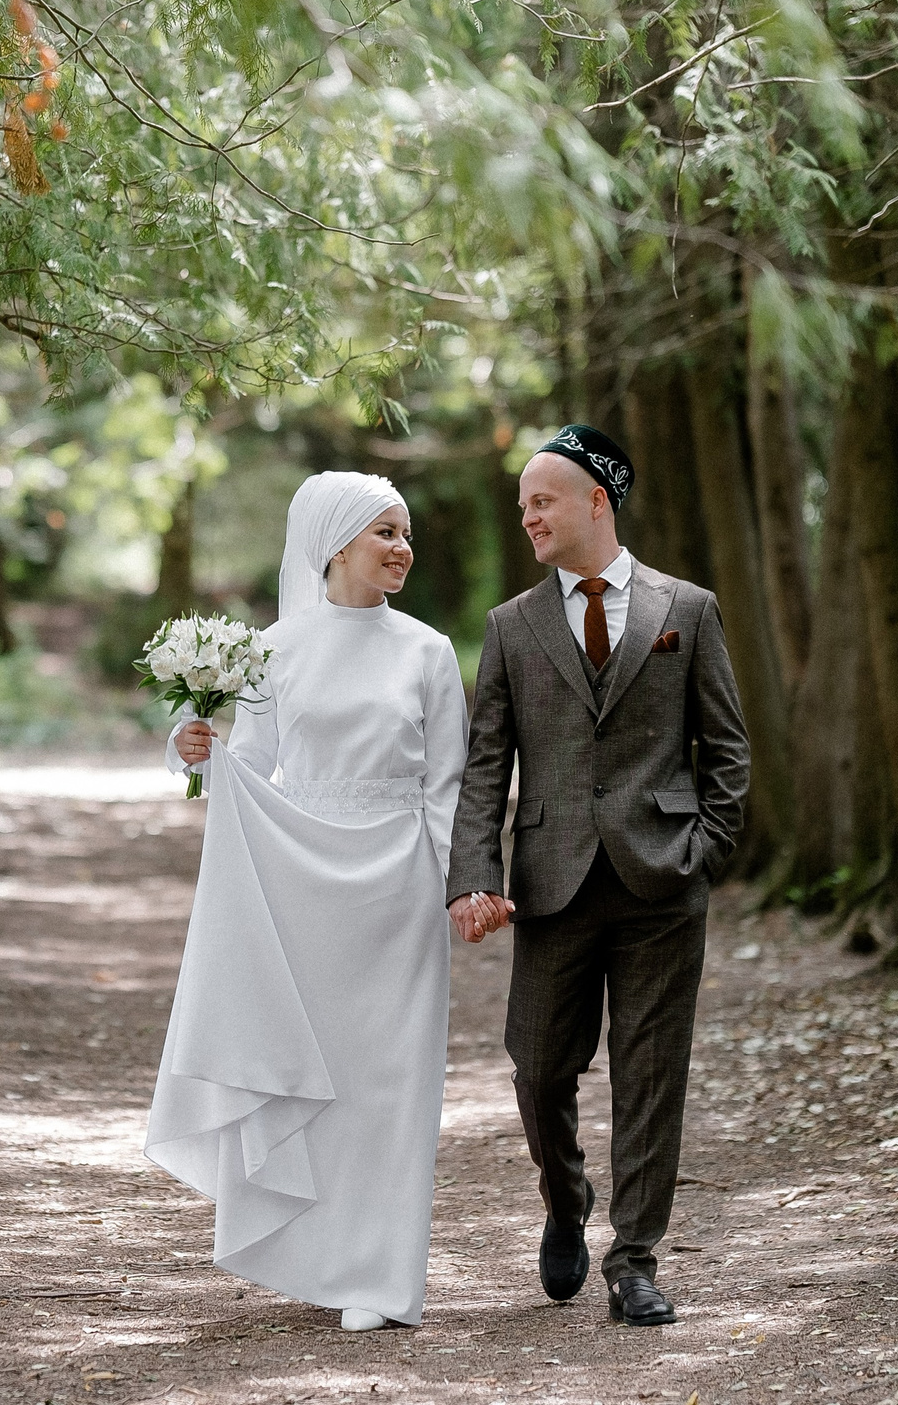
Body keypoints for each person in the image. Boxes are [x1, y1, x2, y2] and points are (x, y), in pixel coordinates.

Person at [145, 471, 468, 1333]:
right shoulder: (274, 650)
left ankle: (381, 1278)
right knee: (314, 1076)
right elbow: (250, 772)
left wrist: (450, 883)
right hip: (303, 889)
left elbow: (448, 784)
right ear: (335, 542)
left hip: (399, 889)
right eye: (385, 533)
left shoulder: (429, 652)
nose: (403, 549)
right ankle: (319, 1256)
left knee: (391, 1085)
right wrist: (195, 748)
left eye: (406, 533)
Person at [446, 424, 752, 1327]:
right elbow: (486, 765)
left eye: (541, 501)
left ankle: (635, 1260)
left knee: (651, 1074)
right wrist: (473, 875)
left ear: (596, 500)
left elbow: (727, 748)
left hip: (664, 881)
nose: (529, 518)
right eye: (522, 507)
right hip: (551, 882)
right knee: (539, 1067)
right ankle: (565, 1198)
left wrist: (705, 850)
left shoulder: (686, 609)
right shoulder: (511, 626)